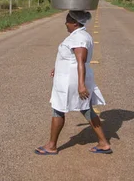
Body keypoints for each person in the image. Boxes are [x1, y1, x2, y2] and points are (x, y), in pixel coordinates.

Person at [35, 10, 112, 155]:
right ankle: (103, 143)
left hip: (71, 80)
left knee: (58, 109)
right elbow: (69, 58)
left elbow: (80, 61)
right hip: (72, 77)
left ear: (75, 23)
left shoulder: (79, 38)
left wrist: (81, 85)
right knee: (86, 109)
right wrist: (57, 68)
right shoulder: (80, 35)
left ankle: (51, 146)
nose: (66, 24)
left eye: (67, 22)